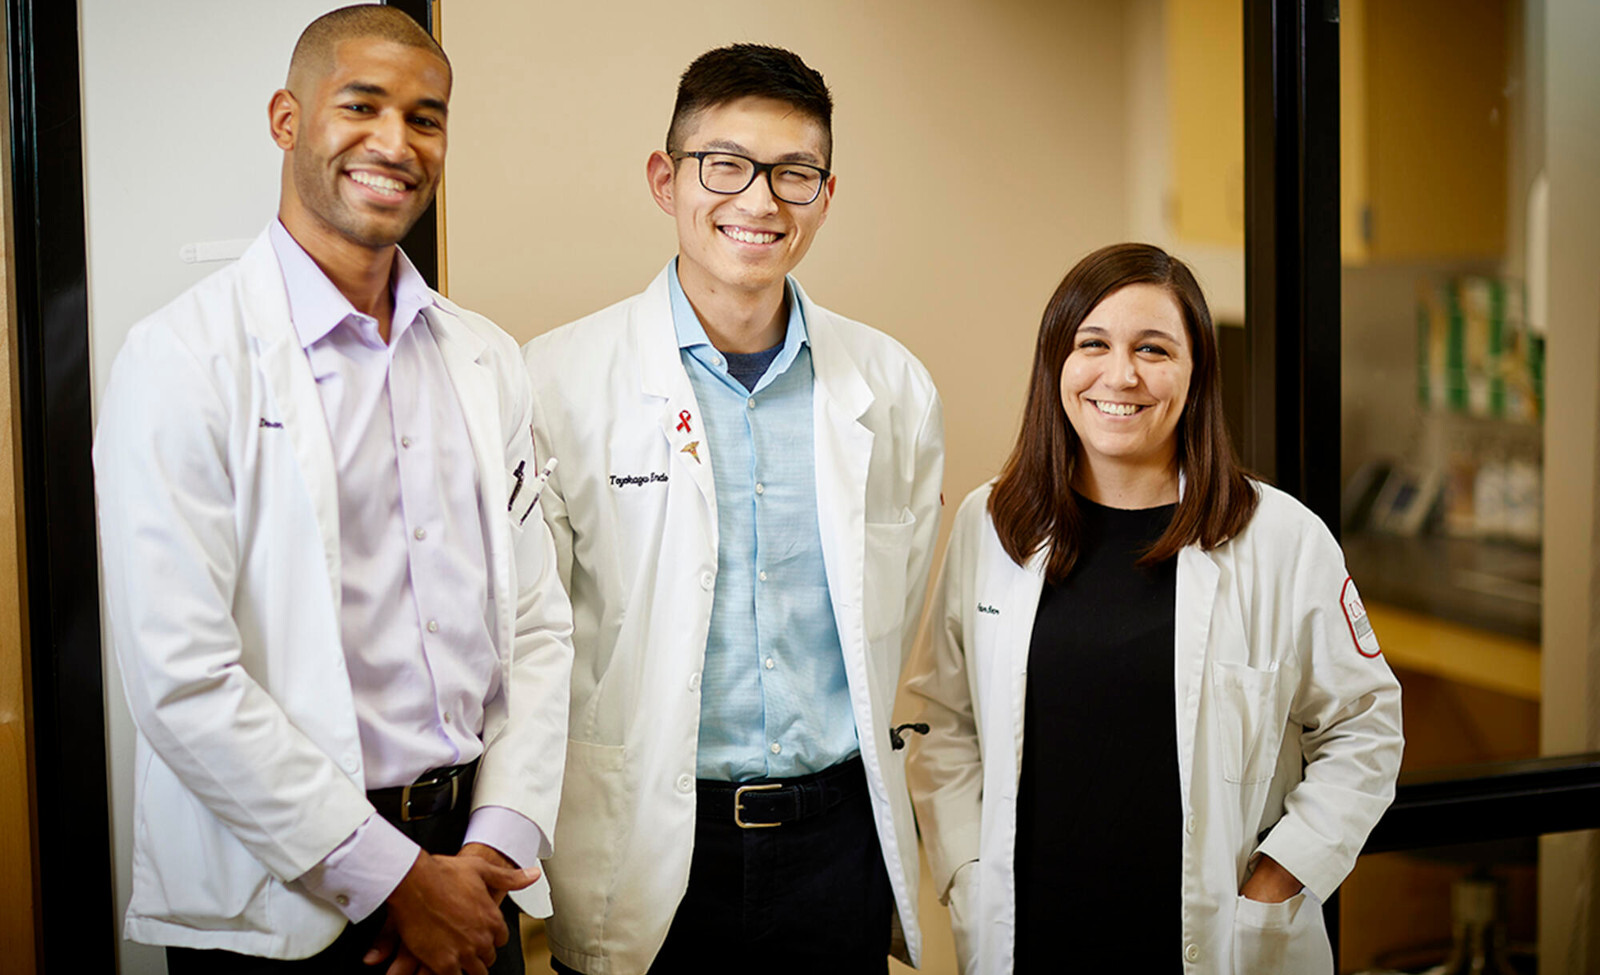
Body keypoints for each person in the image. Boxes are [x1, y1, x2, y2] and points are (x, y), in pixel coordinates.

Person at [93, 7, 573, 974]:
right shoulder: (182, 357)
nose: (395, 142)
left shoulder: (484, 358)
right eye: (362, 104)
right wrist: (396, 880)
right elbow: (181, 677)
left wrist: (493, 848)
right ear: (286, 118)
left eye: (426, 118)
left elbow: (534, 626)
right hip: (291, 899)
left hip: (476, 877)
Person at [522, 43, 944, 975]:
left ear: (825, 195)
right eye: (725, 165)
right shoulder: (554, 381)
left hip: (837, 845)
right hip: (649, 839)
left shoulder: (892, 386)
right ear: (665, 180)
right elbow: (530, 636)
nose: (759, 201)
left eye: (794, 173)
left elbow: (897, 606)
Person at [904, 243, 1404, 974]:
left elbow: (1365, 728)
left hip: (1213, 943)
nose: (1121, 374)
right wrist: (970, 868)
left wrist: (1278, 877)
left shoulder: (1282, 539)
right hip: (1032, 938)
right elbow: (942, 720)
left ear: (1196, 371)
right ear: (1056, 364)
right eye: (1092, 344)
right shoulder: (993, 523)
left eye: (1153, 348)